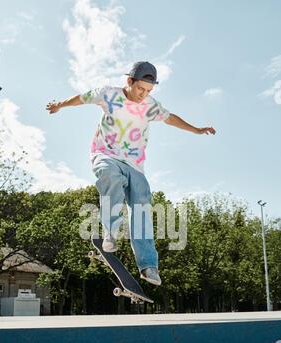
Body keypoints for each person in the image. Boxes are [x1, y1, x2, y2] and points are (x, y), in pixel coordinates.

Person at [46, 61, 216, 286]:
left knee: (142, 204)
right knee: (110, 177)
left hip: (135, 164)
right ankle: (111, 232)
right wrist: (59, 105)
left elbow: (170, 118)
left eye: (148, 91)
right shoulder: (108, 94)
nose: (143, 94)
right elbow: (80, 98)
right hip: (105, 153)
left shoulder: (150, 105)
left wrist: (195, 129)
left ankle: (148, 265)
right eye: (140, 89)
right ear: (129, 81)